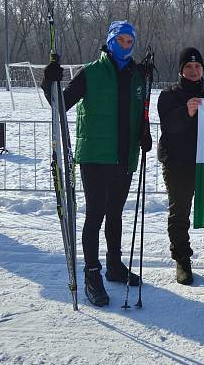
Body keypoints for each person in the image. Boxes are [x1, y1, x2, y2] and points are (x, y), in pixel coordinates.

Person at [41, 20, 151, 307]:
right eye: (121, 40)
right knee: (96, 215)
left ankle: (114, 264)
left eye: (130, 41)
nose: (126, 46)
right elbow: (60, 105)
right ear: (110, 41)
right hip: (96, 157)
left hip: (125, 156)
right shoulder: (91, 72)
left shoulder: (136, 75)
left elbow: (139, 112)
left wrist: (144, 132)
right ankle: (92, 273)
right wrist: (48, 80)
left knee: (116, 213)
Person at [157, 47, 204, 286]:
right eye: (188, 67)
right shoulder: (168, 95)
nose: (193, 71)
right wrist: (187, 112)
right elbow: (169, 125)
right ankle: (182, 259)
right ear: (181, 70)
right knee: (180, 213)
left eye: (197, 67)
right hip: (177, 163)